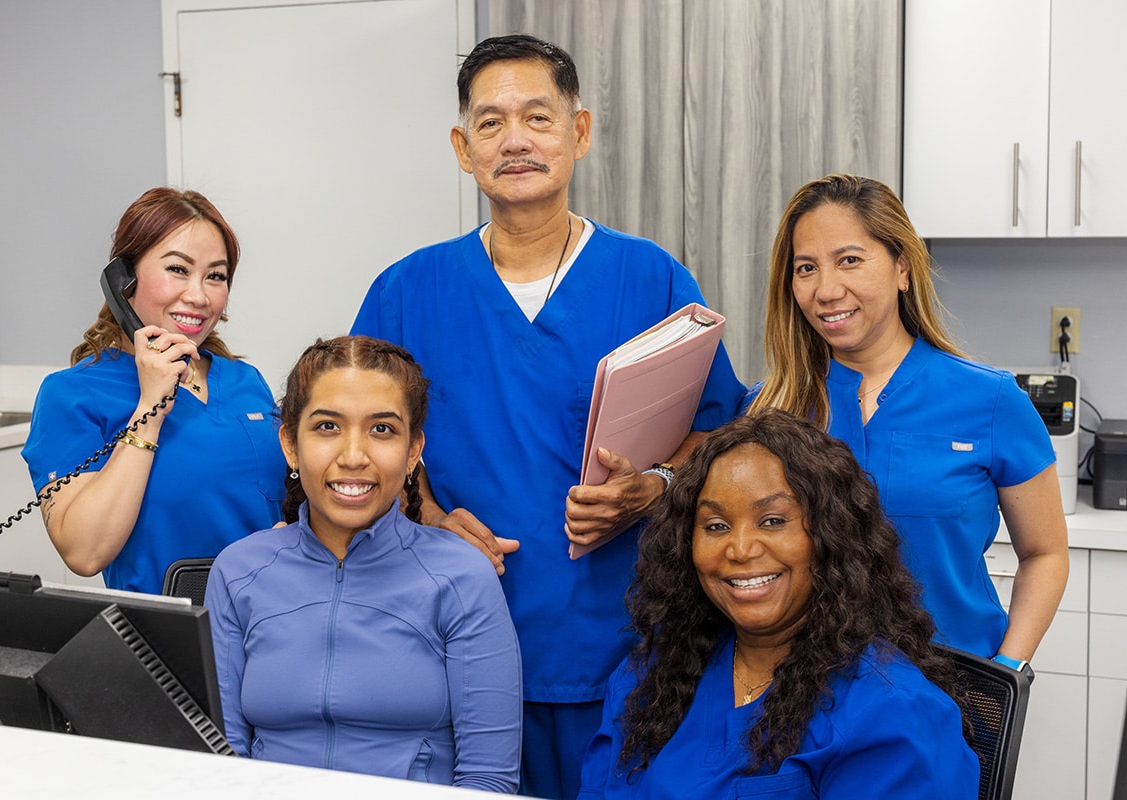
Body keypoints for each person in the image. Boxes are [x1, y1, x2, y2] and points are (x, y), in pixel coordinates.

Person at [350, 33, 746, 799]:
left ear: (579, 132)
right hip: (452, 643)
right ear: (463, 148)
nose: (516, 140)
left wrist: (656, 487)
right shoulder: (407, 291)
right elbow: (357, 446)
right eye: (491, 123)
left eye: (537, 116)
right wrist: (426, 516)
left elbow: (719, 436)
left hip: (626, 652)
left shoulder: (650, 278)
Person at [749, 173, 1068, 667]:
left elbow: (1045, 553)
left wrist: (1007, 671)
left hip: (953, 686)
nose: (826, 290)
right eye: (806, 268)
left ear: (902, 267)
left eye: (849, 260)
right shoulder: (768, 410)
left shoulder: (991, 400)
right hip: (806, 688)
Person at [578, 409, 980, 799]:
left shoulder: (892, 714)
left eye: (772, 520)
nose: (740, 549)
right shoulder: (650, 675)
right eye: (716, 526)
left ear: (831, 535)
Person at [205, 336, 522, 792]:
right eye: (327, 426)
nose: (353, 457)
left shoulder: (462, 577)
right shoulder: (237, 572)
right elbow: (220, 761)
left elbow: (487, 780)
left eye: (382, 430)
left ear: (413, 452)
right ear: (290, 445)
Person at [21, 187, 285, 594]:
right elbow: (84, 553)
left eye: (215, 276)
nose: (198, 296)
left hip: (268, 615)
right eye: (178, 269)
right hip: (167, 625)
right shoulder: (72, 395)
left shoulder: (245, 381)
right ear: (123, 279)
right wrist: (150, 410)